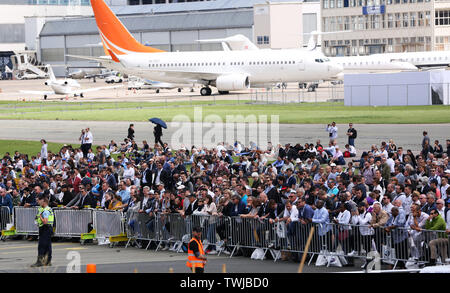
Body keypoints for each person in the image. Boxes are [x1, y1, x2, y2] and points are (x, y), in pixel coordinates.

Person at [31, 194, 54, 267]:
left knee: (42, 245)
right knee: (47, 245)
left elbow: (45, 221)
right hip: (44, 228)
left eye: (38, 200)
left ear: (43, 200)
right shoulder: (41, 208)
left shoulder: (46, 210)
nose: (37, 202)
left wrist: (40, 216)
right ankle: (47, 261)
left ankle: (40, 261)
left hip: (46, 228)